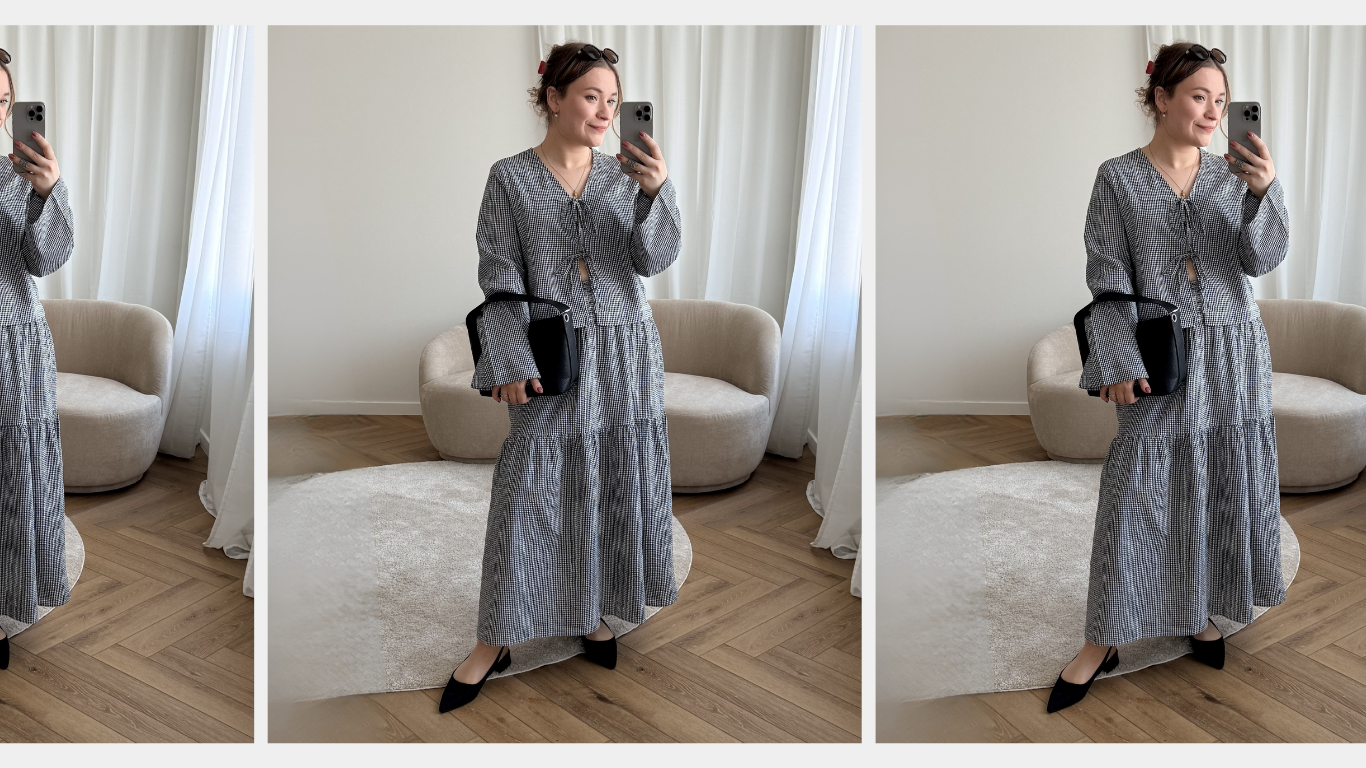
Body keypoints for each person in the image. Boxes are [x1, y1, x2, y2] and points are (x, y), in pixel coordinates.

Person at [439, 41, 682, 712]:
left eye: (613, 100)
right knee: (529, 490)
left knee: (609, 479)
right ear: (553, 98)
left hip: (628, 353)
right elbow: (499, 273)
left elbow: (654, 258)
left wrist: (655, 192)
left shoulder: (625, 175)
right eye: (591, 97)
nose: (605, 112)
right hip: (553, 354)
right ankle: (493, 640)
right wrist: (508, 359)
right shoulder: (510, 178)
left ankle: (591, 611)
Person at [1049, 42, 1289, 713]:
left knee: (1216, 479)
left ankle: (1199, 611)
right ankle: (1101, 640)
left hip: (1235, 353)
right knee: (1136, 490)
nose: (1213, 112)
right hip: (1161, 354)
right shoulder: (1118, 178)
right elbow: (1107, 275)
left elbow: (1261, 257)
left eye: (1222, 100)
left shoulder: (1232, 175)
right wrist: (1116, 360)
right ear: (1161, 98)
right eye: (1198, 97)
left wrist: (1263, 192)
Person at [0, 47, 76, 670]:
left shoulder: (19, 175)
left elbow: (45, 258)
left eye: (2, 102)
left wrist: (49, 191)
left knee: (11, 481)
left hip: (13, 351)